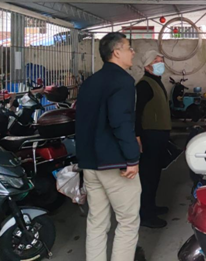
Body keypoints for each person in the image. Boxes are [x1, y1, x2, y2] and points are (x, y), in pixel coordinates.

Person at [76, 33, 141, 261]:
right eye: (129, 48)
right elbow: (120, 122)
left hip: (90, 163)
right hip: (115, 164)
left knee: (96, 221)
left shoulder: (90, 82)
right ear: (116, 52)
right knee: (128, 220)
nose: (132, 52)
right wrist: (132, 158)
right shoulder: (122, 81)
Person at [135, 50, 172, 229]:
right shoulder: (144, 85)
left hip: (159, 135)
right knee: (148, 176)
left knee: (155, 174)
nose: (160, 64)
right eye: (156, 61)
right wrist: (137, 137)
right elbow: (136, 113)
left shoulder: (156, 81)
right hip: (149, 136)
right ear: (147, 66)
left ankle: (151, 206)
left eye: (161, 60)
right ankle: (145, 214)